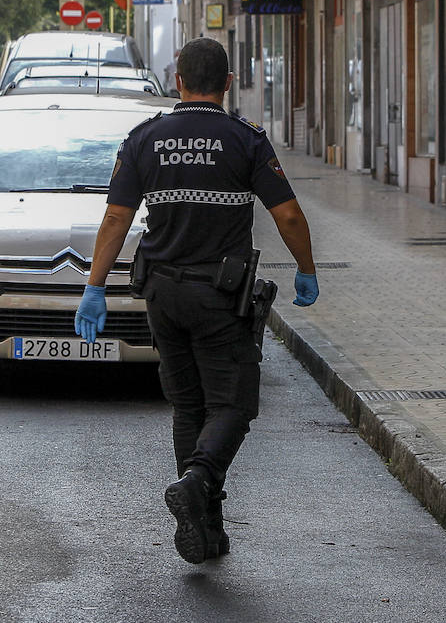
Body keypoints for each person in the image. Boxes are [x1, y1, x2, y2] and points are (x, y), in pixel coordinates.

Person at [75, 37, 318, 564]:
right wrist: (306, 268)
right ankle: (200, 480)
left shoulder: (144, 138)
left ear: (177, 81)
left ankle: (206, 526)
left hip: (162, 292)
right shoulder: (245, 140)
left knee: (188, 405)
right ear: (228, 84)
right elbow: (290, 216)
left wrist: (94, 287)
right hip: (220, 296)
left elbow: (116, 218)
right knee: (232, 404)